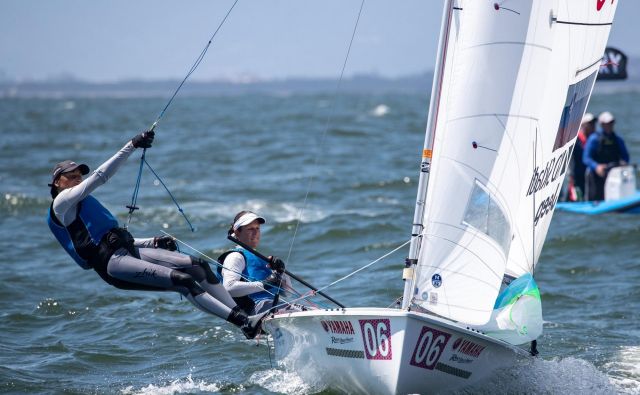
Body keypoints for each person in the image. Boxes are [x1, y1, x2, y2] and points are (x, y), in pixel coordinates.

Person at [47, 131, 265, 339]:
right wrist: (132, 145)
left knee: (197, 266)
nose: (77, 180)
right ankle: (243, 324)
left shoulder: (82, 203)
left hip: (129, 251)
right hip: (112, 265)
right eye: (71, 177)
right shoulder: (61, 203)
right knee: (183, 280)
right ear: (57, 182)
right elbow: (100, 177)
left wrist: (153, 242)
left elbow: (114, 239)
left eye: (79, 176)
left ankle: (247, 317)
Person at [218, 211, 290, 315]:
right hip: (258, 309)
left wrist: (282, 272)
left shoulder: (261, 258)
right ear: (237, 232)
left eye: (257, 228)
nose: (255, 232)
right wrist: (264, 284)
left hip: (275, 306)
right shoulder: (235, 256)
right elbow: (229, 288)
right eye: (250, 229)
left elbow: (286, 292)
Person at [583, 111, 630, 201]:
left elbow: (625, 156)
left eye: (611, 123)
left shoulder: (617, 139)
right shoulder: (594, 139)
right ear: (602, 124)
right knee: (595, 198)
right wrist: (596, 167)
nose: (609, 125)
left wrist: (624, 163)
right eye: (607, 123)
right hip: (596, 175)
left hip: (613, 174)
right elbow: (586, 158)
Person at [567, 113, 596, 201]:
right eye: (590, 124)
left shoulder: (592, 140)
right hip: (575, 177)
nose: (593, 126)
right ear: (584, 125)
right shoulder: (575, 139)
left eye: (593, 124)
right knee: (574, 198)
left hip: (587, 176)